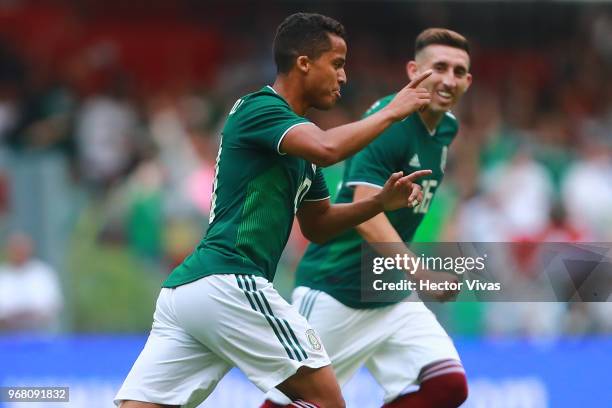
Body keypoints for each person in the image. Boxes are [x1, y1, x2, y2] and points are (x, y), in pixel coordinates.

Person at [115, 13, 435, 408]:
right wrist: (391, 112)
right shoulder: (259, 108)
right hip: (230, 279)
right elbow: (328, 147)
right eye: (336, 63)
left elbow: (318, 225)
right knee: (327, 401)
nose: (344, 77)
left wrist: (377, 203)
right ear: (304, 63)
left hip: (191, 293)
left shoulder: (301, 151)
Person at [263, 28, 472, 408]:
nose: (448, 79)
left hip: (389, 294)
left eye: (459, 72)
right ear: (414, 71)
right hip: (337, 289)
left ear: (468, 80)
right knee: (295, 404)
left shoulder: (447, 128)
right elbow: (365, 210)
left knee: (447, 386)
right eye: (439, 67)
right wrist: (420, 273)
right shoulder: (390, 124)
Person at [0, 232, 63, 331]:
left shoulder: (42, 273)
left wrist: (29, 318)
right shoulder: (3, 276)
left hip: (40, 335)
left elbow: (53, 306)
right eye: (15, 248)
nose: (19, 252)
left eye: (22, 248)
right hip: (7, 336)